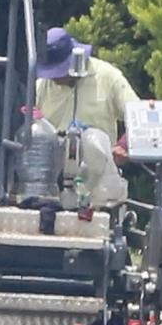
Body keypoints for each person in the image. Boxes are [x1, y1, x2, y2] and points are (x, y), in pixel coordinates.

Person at [31, 25, 140, 209]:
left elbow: (138, 116)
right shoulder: (42, 85)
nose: (55, 78)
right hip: (51, 184)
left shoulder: (108, 77)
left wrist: (124, 145)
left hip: (98, 186)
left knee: (93, 139)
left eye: (59, 71)